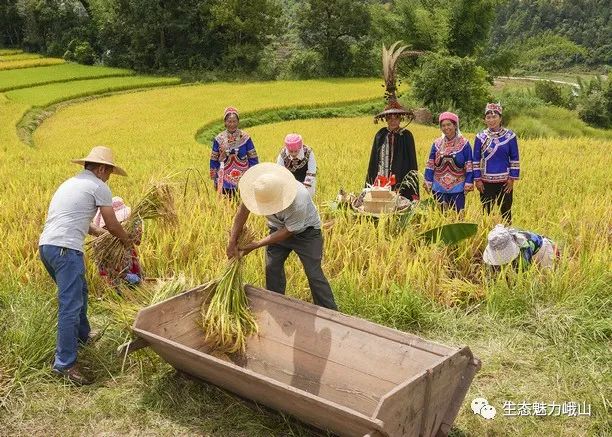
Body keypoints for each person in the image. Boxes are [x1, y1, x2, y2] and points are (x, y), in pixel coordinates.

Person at [39, 146, 132, 385]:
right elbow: (112, 222)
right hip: (66, 250)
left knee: (79, 292)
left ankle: (83, 336)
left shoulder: (71, 183)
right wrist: (125, 239)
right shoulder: (99, 186)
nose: (109, 176)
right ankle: (65, 364)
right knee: (70, 306)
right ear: (101, 169)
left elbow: (86, 224)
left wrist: (104, 237)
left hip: (48, 247)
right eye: (109, 171)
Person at [226, 163, 337, 310]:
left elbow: (288, 231)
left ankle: (330, 312)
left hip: (306, 233)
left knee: (313, 273)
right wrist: (232, 240)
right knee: (272, 267)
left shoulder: (298, 199)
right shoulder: (258, 189)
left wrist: (256, 245)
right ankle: (276, 305)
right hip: (277, 227)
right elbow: (242, 213)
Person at [473, 103, 520, 223]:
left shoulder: (510, 136)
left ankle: (507, 238)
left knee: (506, 213)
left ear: (500, 118)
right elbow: (476, 160)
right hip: (485, 182)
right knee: (486, 213)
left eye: (494, 117)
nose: (491, 120)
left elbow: (514, 158)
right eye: (488, 117)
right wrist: (477, 179)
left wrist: (511, 179)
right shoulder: (480, 137)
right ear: (485, 120)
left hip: (505, 182)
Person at [366, 100, 420, 201]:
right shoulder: (381, 134)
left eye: (396, 118)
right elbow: (374, 159)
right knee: (380, 202)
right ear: (386, 119)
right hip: (381, 174)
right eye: (390, 118)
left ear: (400, 119)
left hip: (401, 174)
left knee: (399, 202)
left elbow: (411, 160)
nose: (393, 121)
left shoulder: (406, 135)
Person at [424, 112, 473, 211]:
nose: (446, 128)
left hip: (458, 187)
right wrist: (428, 181)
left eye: (449, 124)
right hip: (438, 187)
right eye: (443, 125)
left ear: (455, 125)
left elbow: (469, 165)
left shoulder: (464, 144)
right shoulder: (437, 143)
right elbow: (430, 164)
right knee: (439, 216)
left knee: (458, 217)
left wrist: (469, 182)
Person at [92, 196, 142, 286]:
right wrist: (126, 277)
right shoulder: (102, 244)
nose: (123, 223)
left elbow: (138, 241)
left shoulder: (125, 234)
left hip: (132, 270)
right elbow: (107, 272)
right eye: (120, 221)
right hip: (117, 284)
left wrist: (137, 227)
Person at [209, 106, 259, 197]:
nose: (232, 124)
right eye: (229, 121)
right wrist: (215, 178)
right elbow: (213, 159)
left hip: (243, 177)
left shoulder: (245, 137)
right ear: (225, 122)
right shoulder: (219, 139)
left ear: (238, 122)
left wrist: (254, 174)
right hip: (224, 179)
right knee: (226, 205)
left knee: (242, 202)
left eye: (234, 121)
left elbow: (253, 157)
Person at [483, 224, 560, 270]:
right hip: (532, 252)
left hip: (544, 250)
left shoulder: (524, 248)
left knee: (546, 278)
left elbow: (524, 274)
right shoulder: (496, 240)